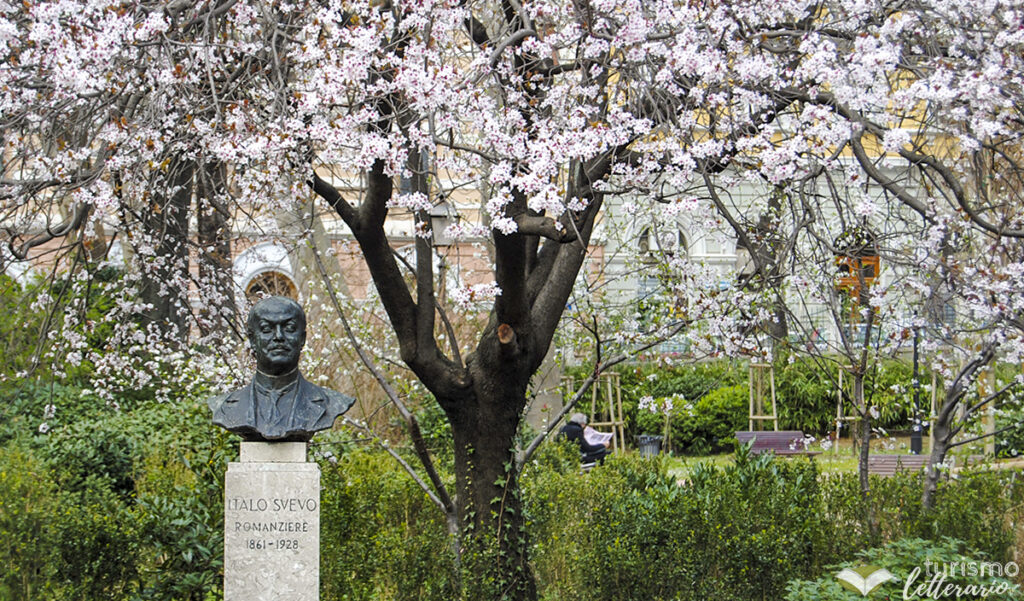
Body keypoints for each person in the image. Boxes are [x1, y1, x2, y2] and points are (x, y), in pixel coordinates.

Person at [209, 296, 355, 442]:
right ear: (252, 340)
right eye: (267, 329)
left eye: (289, 328)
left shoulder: (332, 403)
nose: (279, 336)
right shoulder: (225, 406)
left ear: (302, 339)